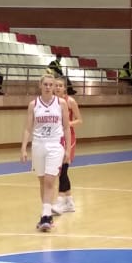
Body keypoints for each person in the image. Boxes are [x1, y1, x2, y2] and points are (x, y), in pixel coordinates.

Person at [21, 74, 68, 232]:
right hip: (38, 145)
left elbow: (67, 127)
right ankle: (47, 212)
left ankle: (45, 216)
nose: (48, 87)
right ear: (40, 86)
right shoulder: (33, 104)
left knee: (49, 180)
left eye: (51, 84)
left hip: (55, 145)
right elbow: (28, 128)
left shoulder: (61, 103)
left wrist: (68, 149)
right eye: (46, 84)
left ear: (54, 87)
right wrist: (23, 148)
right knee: (42, 181)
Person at [52, 76, 82, 214]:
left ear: (65, 87)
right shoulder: (52, 101)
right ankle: (69, 201)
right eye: (55, 85)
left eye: (60, 85)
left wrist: (67, 124)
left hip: (69, 137)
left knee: (63, 169)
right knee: (60, 170)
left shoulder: (70, 101)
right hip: (56, 138)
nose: (57, 88)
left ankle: (60, 201)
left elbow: (80, 120)